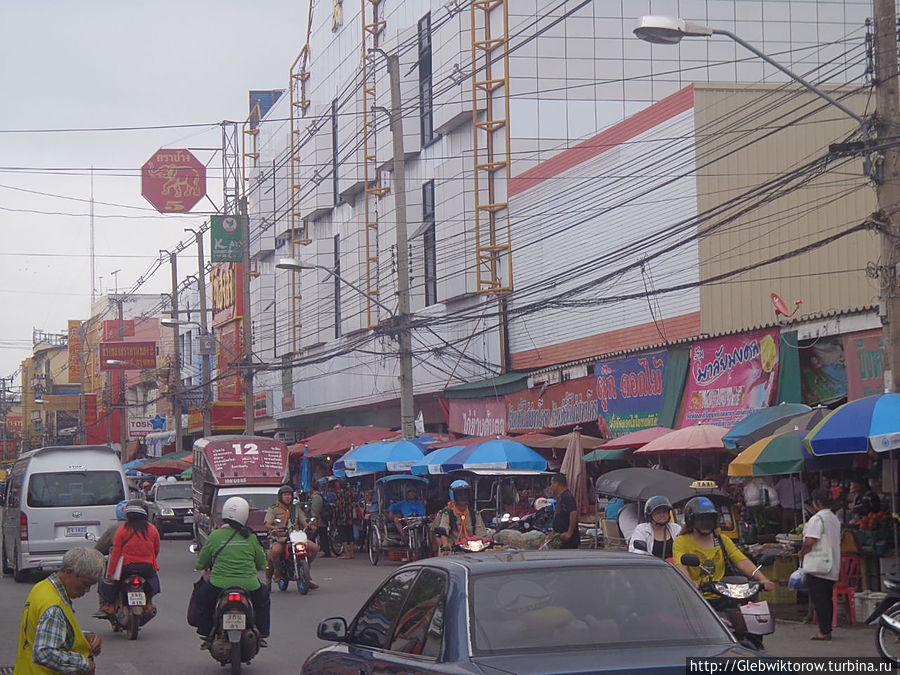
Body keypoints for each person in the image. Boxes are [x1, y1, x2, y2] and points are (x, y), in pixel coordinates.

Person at [194, 497, 271, 648]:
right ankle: (262, 634)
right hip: (249, 585)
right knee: (263, 600)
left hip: (218, 585)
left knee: (202, 598)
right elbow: (262, 563)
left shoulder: (215, 536)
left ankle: (206, 633)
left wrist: (202, 565)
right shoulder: (251, 537)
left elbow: (202, 562)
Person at [15, 547, 105, 674]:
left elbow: (47, 631)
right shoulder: (54, 607)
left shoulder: (42, 587)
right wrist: (84, 664)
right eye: (85, 584)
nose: (87, 590)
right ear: (69, 572)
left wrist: (84, 637)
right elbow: (44, 653)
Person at [673, 496, 774, 605]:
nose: (706, 523)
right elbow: (681, 566)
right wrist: (691, 583)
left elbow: (742, 561)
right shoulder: (681, 542)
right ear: (691, 521)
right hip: (697, 601)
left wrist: (762, 579)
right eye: (701, 520)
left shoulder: (722, 540)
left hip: (725, 597)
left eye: (709, 519)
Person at [98, 501, 160, 616]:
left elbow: (116, 554)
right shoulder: (152, 529)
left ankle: (110, 605)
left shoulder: (122, 530)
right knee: (153, 578)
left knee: (110, 583)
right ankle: (149, 603)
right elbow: (156, 550)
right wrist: (151, 562)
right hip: (146, 567)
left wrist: (111, 573)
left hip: (125, 567)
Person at [799, 488, 842, 641]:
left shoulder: (817, 519)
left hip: (818, 566)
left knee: (819, 599)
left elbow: (810, 540)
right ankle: (827, 629)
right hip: (832, 565)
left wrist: (802, 552)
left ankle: (824, 631)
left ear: (817, 503)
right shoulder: (834, 518)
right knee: (827, 598)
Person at [263, 484, 319, 590]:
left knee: (314, 548)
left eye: (289, 495)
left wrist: (310, 526)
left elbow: (304, 520)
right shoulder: (273, 508)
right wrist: (275, 529)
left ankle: (305, 572)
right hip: (280, 538)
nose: (287, 497)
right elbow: (267, 523)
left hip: (295, 536)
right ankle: (278, 572)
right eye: (285, 495)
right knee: (275, 551)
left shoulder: (296, 508)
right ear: (281, 496)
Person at [432, 480, 486, 551]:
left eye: (465, 494)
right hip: (453, 550)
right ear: (453, 495)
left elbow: (481, 534)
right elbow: (443, 531)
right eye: (459, 494)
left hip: (472, 550)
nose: (463, 497)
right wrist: (445, 545)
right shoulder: (447, 513)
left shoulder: (475, 514)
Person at [550, 473, 579, 549]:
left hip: (569, 541)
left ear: (557, 483)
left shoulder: (567, 496)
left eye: (552, 483)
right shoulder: (560, 497)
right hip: (560, 537)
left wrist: (569, 533)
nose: (551, 486)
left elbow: (573, 513)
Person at [333, 478, 356, 559]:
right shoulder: (350, 493)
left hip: (342, 517)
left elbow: (338, 506)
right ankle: (352, 553)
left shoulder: (340, 494)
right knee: (350, 535)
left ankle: (347, 553)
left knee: (343, 536)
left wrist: (334, 517)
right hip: (350, 517)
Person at [309, 484, 332, 557]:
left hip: (319, 521)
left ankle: (312, 551)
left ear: (312, 489)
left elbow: (315, 510)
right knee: (323, 536)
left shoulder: (316, 497)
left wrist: (314, 520)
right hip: (320, 521)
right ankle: (326, 552)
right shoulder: (318, 496)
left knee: (313, 536)